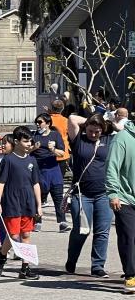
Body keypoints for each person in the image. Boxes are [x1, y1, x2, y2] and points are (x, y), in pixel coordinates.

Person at [65, 113, 114, 277]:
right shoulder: (79, 139)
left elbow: (122, 127)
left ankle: (98, 266)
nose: (94, 134)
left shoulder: (108, 140)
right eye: (91, 131)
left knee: (102, 231)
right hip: (82, 194)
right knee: (81, 230)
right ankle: (72, 259)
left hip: (104, 193)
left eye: (97, 131)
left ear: (103, 130)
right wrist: (91, 121)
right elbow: (72, 118)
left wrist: (107, 123)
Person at [0, 126, 43, 280]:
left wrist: (39, 205)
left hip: (28, 202)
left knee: (26, 234)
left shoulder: (32, 160)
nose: (29, 143)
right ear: (16, 141)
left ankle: (25, 268)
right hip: (11, 201)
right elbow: (1, 181)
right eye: (25, 140)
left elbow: (36, 183)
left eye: (30, 141)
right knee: (14, 236)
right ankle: (2, 257)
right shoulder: (8, 159)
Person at [106, 115, 135, 293]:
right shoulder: (122, 138)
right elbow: (112, 167)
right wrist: (113, 193)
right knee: (129, 238)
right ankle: (130, 275)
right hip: (124, 197)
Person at [32, 113, 69, 233]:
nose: (38, 124)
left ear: (48, 124)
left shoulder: (55, 135)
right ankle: (37, 221)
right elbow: (26, 151)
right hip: (39, 170)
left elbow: (62, 153)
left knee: (58, 196)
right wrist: (33, 148)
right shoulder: (33, 135)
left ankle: (62, 222)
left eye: (40, 122)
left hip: (53, 169)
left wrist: (53, 149)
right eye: (36, 122)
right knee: (39, 197)